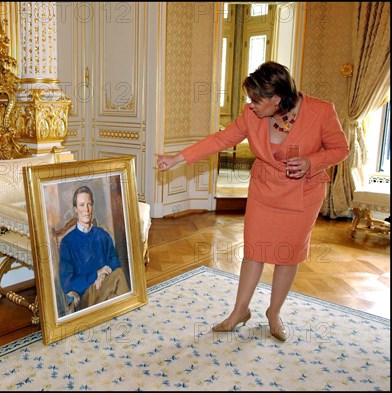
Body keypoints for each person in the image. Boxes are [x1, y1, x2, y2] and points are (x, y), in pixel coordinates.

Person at [156, 61, 349, 342]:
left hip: (303, 194)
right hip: (265, 190)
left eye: (257, 100)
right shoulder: (251, 115)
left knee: (288, 255)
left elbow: (340, 149)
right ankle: (239, 311)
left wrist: (312, 161)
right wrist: (177, 158)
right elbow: (220, 139)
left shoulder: (321, 111)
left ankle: (274, 313)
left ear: (276, 99)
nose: (251, 105)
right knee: (254, 251)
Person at [59, 185, 130, 313]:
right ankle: (132, 314)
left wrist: (103, 275)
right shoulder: (67, 242)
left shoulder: (102, 235)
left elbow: (114, 260)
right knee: (119, 275)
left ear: (92, 206)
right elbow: (67, 283)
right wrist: (96, 275)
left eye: (89, 204)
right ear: (75, 209)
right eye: (81, 205)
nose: (86, 209)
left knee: (114, 297)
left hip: (105, 287)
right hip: (85, 296)